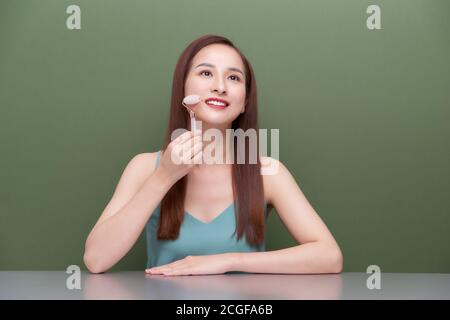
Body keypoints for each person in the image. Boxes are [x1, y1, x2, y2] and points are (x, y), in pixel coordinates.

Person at [83, 34, 343, 275]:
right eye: (206, 73)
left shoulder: (268, 172)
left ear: (244, 102)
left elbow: (330, 257)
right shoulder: (144, 167)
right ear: (183, 88)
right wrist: (164, 176)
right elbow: (96, 260)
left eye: (233, 78)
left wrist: (228, 260)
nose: (220, 86)